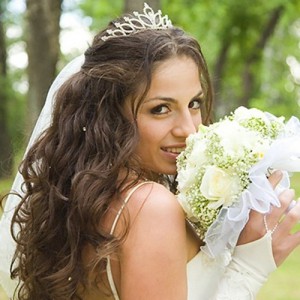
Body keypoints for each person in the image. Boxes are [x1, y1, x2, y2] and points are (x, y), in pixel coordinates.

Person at [1, 3, 300, 300]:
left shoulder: (88, 199)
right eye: (160, 109)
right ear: (108, 115)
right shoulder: (150, 207)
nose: (189, 129)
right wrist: (249, 268)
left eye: (194, 103)